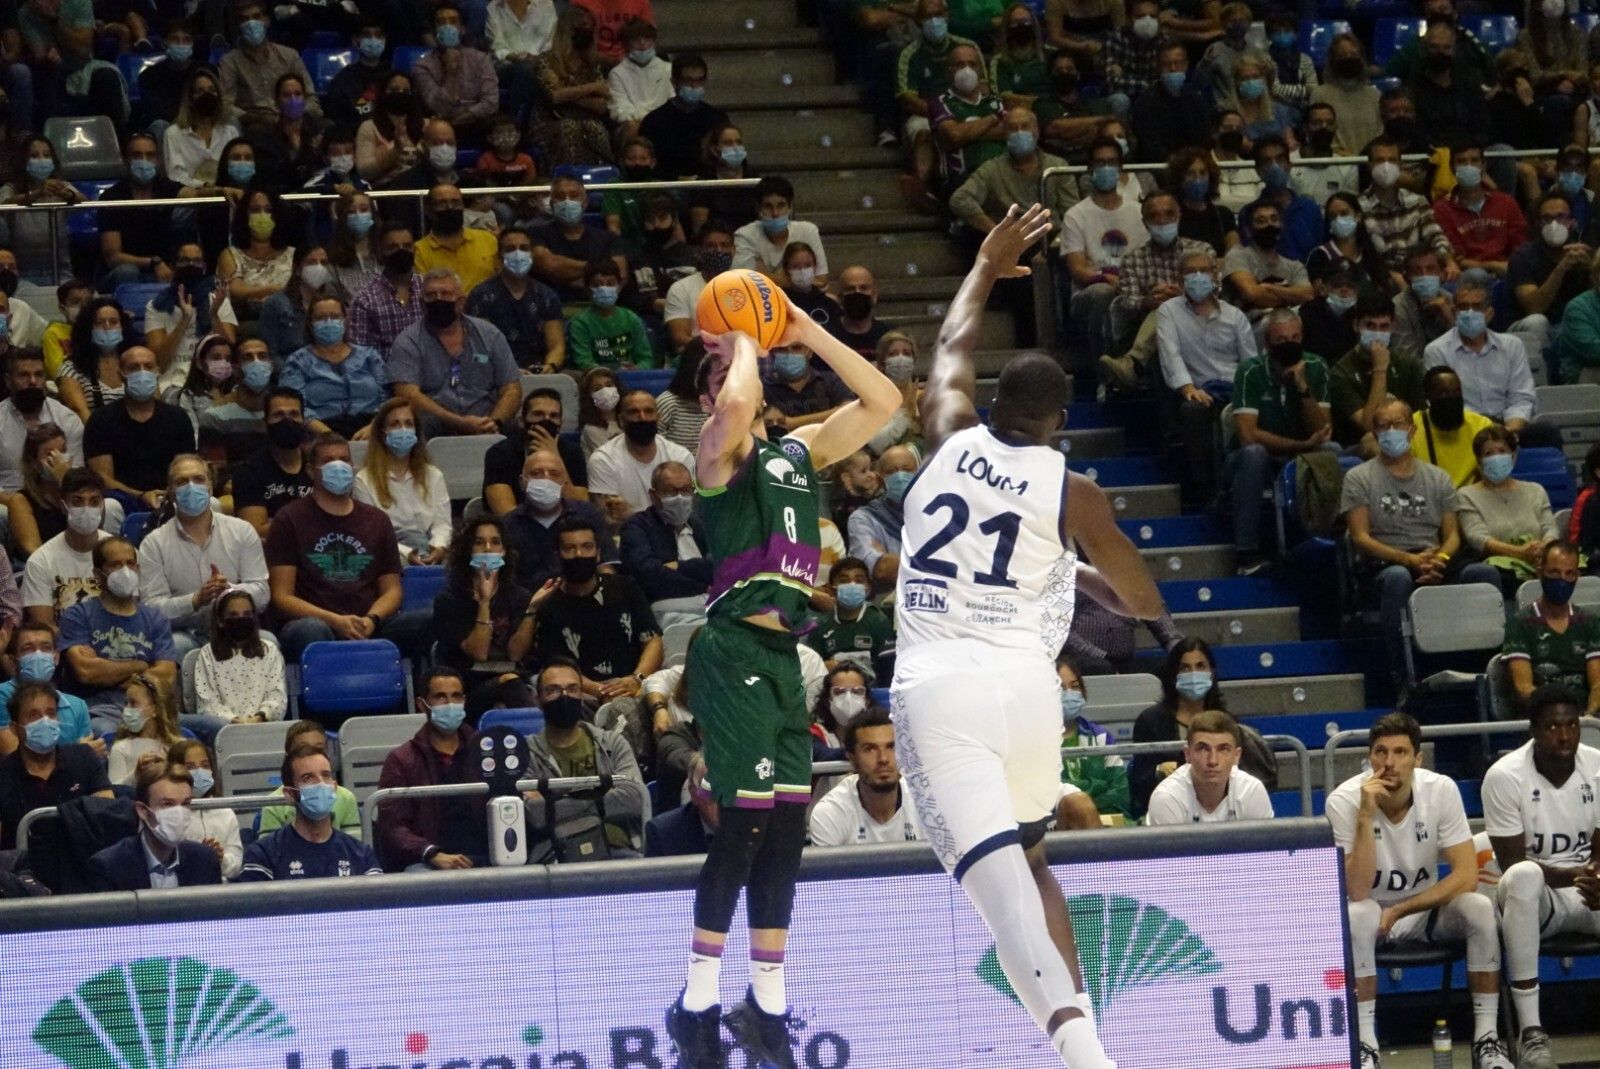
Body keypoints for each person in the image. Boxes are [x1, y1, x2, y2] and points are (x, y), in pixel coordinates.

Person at [889, 204, 1161, 1069]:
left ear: (994, 403)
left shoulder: (943, 435)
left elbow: (951, 347)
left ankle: (1091, 1062)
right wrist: (1076, 571)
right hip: (1028, 690)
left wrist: (984, 263)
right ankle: (1088, 1035)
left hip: (941, 686)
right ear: (1060, 420)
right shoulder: (1073, 489)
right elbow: (1142, 599)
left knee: (997, 894)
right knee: (1033, 859)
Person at [663, 242, 901, 1062]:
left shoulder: (797, 453)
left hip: (784, 657)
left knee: (790, 827)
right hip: (730, 649)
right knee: (742, 827)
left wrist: (803, 325)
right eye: (725, 373)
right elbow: (733, 407)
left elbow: (884, 398)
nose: (735, 382)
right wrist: (743, 345)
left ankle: (765, 1003)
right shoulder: (716, 457)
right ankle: (695, 1003)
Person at [1324, 711, 1514, 1069]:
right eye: (1381, 752)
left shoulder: (1440, 789)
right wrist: (1365, 817)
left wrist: (1401, 910)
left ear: (1417, 758)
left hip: (1421, 912)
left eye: (1400, 753)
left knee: (1478, 907)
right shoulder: (1344, 800)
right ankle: (1367, 1046)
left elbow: (1465, 876)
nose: (1389, 763)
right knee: (1357, 912)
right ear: (1370, 757)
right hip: (1370, 916)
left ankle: (1487, 1042)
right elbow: (1356, 887)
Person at [1342, 397, 1502, 690]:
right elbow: (1360, 537)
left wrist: (1438, 560)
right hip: (1384, 564)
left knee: (1484, 575)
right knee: (1398, 578)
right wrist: (1409, 560)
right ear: (1375, 433)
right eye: (1383, 426)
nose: (1391, 430)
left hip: (1434, 560)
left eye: (1398, 423)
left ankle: (1486, 673)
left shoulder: (1438, 478)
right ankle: (1403, 679)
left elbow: (1452, 535)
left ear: (1412, 429)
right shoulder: (1358, 477)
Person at [1482, 684, 1600, 1069]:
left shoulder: (1597, 765)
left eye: (1570, 725)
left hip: (1588, 892)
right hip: (1535, 903)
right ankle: (1531, 1034)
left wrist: (1597, 877)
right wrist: (1580, 875)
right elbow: (1512, 861)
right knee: (1524, 876)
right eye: (1552, 727)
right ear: (1533, 730)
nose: (1564, 735)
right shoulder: (1504, 776)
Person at [264, 432, 430, 663]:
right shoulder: (289, 519)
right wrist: (335, 621)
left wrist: (372, 620)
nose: (338, 466)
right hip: (316, 623)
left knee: (430, 618)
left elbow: (392, 590)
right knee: (311, 630)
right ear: (311, 470)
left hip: (368, 623)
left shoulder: (377, 520)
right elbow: (282, 597)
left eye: (344, 459)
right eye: (329, 461)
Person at [1226, 309, 1336, 575]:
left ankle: (1331, 545)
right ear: (1267, 343)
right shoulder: (1250, 371)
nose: (1289, 344)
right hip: (1254, 461)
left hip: (1301, 455)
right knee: (1254, 453)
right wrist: (1300, 445)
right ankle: (1246, 553)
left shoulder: (1316, 366)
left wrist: (1301, 385)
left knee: (1333, 451)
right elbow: (1248, 435)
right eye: (1281, 339)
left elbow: (1323, 430)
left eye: (1294, 337)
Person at [137, 455, 269, 661]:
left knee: (269, 644)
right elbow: (151, 610)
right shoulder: (154, 543)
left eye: (198, 479)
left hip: (237, 628)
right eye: (181, 481)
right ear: (170, 492)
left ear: (210, 486)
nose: (191, 486)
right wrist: (195, 600)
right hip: (186, 633)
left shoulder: (242, 531)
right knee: (174, 646)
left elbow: (262, 594)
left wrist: (229, 593)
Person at [1128, 637, 1277, 816]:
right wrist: (1159, 772)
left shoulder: (1226, 721)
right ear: (1173, 674)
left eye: (1200, 666)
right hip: (1169, 807)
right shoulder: (1150, 721)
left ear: (1211, 673)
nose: (1193, 674)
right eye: (1185, 667)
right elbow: (1138, 781)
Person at [1156, 248, 1256, 506]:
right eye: (1190, 272)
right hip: (1200, 391)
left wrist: (1246, 396)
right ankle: (1205, 489)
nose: (1198, 276)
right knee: (1193, 410)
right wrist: (1188, 388)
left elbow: (1250, 363)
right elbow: (1171, 355)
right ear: (1180, 280)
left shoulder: (1235, 316)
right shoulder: (1169, 311)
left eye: (1204, 270)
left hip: (1235, 390)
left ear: (1215, 275)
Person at [524, 656, 649, 859]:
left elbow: (634, 799)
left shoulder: (612, 743)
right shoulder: (526, 753)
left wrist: (554, 801)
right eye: (553, 690)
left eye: (572, 689)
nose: (564, 696)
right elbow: (534, 815)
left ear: (581, 696)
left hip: (617, 850)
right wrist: (601, 795)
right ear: (538, 700)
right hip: (555, 855)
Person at [530, 514, 662, 700]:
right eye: (570, 548)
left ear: (598, 553)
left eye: (587, 547)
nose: (579, 555)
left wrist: (636, 679)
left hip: (634, 686)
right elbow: (555, 665)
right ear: (557, 555)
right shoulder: (549, 603)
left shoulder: (625, 587)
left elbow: (652, 641)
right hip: (581, 694)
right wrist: (602, 691)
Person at [57, 537, 180, 732]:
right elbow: (87, 671)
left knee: (210, 728)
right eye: (115, 565)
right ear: (98, 575)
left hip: (151, 712)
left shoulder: (155, 618)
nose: (125, 571)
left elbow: (166, 675)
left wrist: (111, 671)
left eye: (130, 564)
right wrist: (140, 666)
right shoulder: (78, 615)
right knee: (105, 732)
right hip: (100, 712)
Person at [377, 666, 488, 870]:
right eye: (440, 697)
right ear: (422, 704)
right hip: (429, 861)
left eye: (456, 696)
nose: (450, 704)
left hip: (485, 857)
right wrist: (431, 853)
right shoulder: (401, 760)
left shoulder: (486, 753)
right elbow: (393, 826)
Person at [1099, 191, 1212, 389]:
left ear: (1178, 216)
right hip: (1154, 327)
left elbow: (1216, 292)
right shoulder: (1132, 259)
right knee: (1167, 312)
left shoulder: (1202, 251)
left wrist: (1185, 295)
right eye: (1154, 216)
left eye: (1168, 214)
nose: (1161, 221)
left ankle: (1132, 363)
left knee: (1171, 306)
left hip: (1200, 321)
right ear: (1144, 223)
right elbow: (1127, 300)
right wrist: (1147, 301)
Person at [1424, 275, 1546, 448]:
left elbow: (1521, 398)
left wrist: (1508, 432)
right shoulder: (1436, 350)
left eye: (1477, 307)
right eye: (1463, 307)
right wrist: (1484, 433)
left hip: (1508, 426)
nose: (1470, 313)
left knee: (1546, 433)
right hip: (1463, 430)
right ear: (1454, 312)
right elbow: (1444, 404)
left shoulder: (1512, 346)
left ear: (1489, 313)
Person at [237, 745, 383, 880]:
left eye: (326, 775)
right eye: (308, 778)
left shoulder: (361, 854)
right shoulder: (263, 855)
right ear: (289, 794)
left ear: (334, 787)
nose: (320, 784)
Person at [1061, 136, 1147, 361]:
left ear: (1120, 167)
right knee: (1103, 293)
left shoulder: (1139, 211)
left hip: (1133, 286)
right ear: (1090, 169)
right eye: (1100, 163)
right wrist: (1108, 279)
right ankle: (1104, 371)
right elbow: (1078, 270)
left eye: (1112, 162)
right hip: (1090, 291)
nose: (1107, 168)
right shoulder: (1075, 215)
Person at [82, 347, 197, 514]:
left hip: (172, 497)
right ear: (121, 374)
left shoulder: (177, 418)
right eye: (134, 368)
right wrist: (141, 495)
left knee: (212, 502)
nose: (142, 373)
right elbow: (102, 479)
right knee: (109, 506)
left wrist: (167, 496)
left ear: (158, 372)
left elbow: (185, 469)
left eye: (148, 367)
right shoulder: (101, 420)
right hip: (123, 502)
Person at [0, 681, 113, 849]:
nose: (45, 721)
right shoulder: (4, 775)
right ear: (15, 728)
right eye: (34, 715)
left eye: (51, 713)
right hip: (24, 868)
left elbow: (107, 815)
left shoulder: (84, 757)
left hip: (84, 861)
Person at [88, 762, 222, 891]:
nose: (179, 813)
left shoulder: (205, 860)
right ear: (143, 811)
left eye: (185, 803)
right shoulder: (109, 866)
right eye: (167, 804)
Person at [1501, 541, 1600, 713]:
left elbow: (1598, 684)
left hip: (1585, 718)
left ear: (1577, 576)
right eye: (1555, 572)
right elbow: (1523, 688)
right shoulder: (1520, 623)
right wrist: (1559, 716)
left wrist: (1587, 720)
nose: (1562, 580)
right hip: (1543, 717)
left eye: (1569, 574)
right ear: (1540, 573)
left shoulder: (1589, 621)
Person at [277, 294, 390, 439]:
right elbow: (293, 407)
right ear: (310, 324)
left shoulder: (369, 356)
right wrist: (328, 435)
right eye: (321, 318)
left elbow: (388, 399)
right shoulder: (297, 362)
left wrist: (374, 426)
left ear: (345, 320)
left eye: (335, 316)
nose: (328, 321)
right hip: (320, 432)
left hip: (373, 429)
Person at [353, 400, 451, 566]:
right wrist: (407, 554)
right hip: (388, 552)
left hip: (429, 548)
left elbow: (442, 524)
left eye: (408, 423)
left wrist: (438, 547)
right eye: (395, 424)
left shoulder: (434, 475)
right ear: (383, 432)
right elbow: (371, 534)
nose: (403, 430)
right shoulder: (363, 480)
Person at [808, 707, 921, 846]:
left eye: (892, 746)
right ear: (852, 759)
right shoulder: (829, 813)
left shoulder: (927, 805)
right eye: (870, 749)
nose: (883, 758)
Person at [1458, 426, 1559, 583]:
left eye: (1501, 451)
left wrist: (1544, 549)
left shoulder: (1536, 490)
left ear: (1513, 456)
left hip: (1540, 560)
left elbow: (1550, 528)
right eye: (1488, 454)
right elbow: (1477, 538)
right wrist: (1519, 552)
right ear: (1479, 461)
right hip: (1499, 568)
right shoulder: (1466, 495)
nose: (1496, 457)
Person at [1329, 295, 1429, 452]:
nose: (1377, 333)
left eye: (1384, 327)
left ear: (1393, 326)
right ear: (1356, 325)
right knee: (1372, 443)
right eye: (1370, 326)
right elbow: (1369, 426)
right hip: (1359, 445)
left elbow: (1421, 416)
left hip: (1407, 436)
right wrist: (1380, 370)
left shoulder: (1408, 363)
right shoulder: (1341, 373)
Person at [1144, 710, 1274, 825]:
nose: (1212, 761)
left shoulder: (1251, 791)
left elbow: (1267, 850)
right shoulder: (1167, 797)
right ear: (1187, 754)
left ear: (1237, 755)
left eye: (1223, 749)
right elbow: (1172, 853)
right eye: (1202, 749)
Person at [20, 468, 113, 627]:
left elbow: (133, 611)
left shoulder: (121, 553)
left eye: (94, 501)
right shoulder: (40, 561)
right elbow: (45, 628)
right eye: (77, 502)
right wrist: (76, 650)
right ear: (63, 506)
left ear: (103, 505)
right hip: (63, 646)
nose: (86, 508)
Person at [99, 135, 192, 291]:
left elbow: (193, 194)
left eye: (150, 155)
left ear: (158, 161)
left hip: (164, 271)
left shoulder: (167, 188)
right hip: (123, 274)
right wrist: (153, 262)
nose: (144, 161)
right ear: (125, 160)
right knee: (128, 271)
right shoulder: (112, 197)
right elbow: (113, 257)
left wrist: (217, 189)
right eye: (137, 155)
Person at [587, 390, 695, 523]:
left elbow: (689, 513)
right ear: (621, 420)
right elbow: (609, 520)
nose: (642, 418)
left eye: (649, 411)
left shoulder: (681, 457)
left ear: (658, 417)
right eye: (634, 412)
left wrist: (630, 513)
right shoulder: (603, 460)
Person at [466, 229, 566, 373]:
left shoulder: (547, 296)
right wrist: (509, 371)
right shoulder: (481, 295)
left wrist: (549, 366)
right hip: (495, 372)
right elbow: (479, 348)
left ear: (531, 254)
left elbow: (557, 345)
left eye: (524, 248)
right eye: (510, 249)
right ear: (499, 256)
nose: (518, 254)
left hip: (538, 372)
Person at [620, 461, 711, 614]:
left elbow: (725, 564)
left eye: (686, 490)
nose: (680, 498)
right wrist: (702, 586)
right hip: (667, 608)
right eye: (671, 491)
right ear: (654, 495)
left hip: (714, 603)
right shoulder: (637, 526)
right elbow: (649, 575)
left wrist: (679, 566)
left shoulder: (703, 523)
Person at [1513, 193, 1592, 369]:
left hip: (1571, 327)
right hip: (1529, 331)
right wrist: (1561, 269)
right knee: (1537, 321)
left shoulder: (1586, 253)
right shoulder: (1523, 257)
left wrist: (1592, 270)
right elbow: (1534, 307)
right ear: (1538, 223)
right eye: (1546, 218)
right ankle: (1545, 383)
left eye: (1561, 217)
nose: (1554, 224)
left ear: (1572, 222)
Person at [191, 589, 288, 728]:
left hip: (264, 727)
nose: (241, 619)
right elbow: (207, 703)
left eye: (247, 614)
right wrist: (234, 720)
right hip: (223, 730)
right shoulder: (208, 653)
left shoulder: (270, 650)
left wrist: (260, 717)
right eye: (233, 615)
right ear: (220, 620)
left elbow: (277, 696)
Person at [1362, 138, 1460, 276]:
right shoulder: (1359, 206)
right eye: (1380, 160)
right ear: (1369, 165)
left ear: (1400, 164)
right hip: (1379, 278)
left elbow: (1434, 235)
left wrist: (1449, 262)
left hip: (1416, 274)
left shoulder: (1417, 201)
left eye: (1392, 160)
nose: (1386, 166)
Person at [0, 624, 97, 758]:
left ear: (56, 657)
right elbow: (12, 754)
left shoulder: (77, 706)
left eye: (46, 648)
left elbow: (88, 761)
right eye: (28, 649)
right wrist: (76, 752)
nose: (38, 655)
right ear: (13, 661)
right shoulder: (2, 695)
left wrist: (81, 753)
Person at [1433, 141, 1527, 279]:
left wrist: (1507, 266)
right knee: (1477, 275)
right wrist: (1493, 266)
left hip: (1507, 269)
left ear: (1484, 166)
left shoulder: (1506, 202)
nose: (1469, 166)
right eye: (1461, 161)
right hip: (1467, 275)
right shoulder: (1442, 208)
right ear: (1452, 168)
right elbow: (1457, 257)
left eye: (1475, 160)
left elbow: (1520, 245)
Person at [219, 2, 321, 129]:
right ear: (238, 25)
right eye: (244, 19)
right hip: (255, 124)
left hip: (294, 117)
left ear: (266, 21)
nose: (251, 23)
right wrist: (253, 117)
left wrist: (293, 113)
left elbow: (311, 99)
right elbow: (225, 104)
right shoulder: (229, 62)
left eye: (256, 17)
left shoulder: (289, 55)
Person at [255, 720, 363, 838]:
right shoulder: (273, 805)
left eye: (319, 749)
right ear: (288, 756)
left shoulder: (346, 798)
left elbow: (354, 848)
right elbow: (270, 851)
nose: (311, 754)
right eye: (302, 749)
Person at [232, 388, 315, 536]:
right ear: (265, 423)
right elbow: (256, 530)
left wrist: (276, 523)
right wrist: (315, 521)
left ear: (303, 421)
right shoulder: (249, 471)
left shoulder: (317, 465)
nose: (287, 421)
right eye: (278, 415)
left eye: (294, 414)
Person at [0, 349, 82, 497]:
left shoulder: (67, 419)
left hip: (58, 499)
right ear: (8, 380)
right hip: (7, 503)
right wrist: (17, 506)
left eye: (38, 375)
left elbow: (78, 476)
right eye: (24, 375)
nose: (32, 381)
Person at [412, 2, 499, 141]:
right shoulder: (422, 67)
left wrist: (465, 115)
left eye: (453, 21)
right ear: (434, 30)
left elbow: (491, 102)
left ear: (462, 29)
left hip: (476, 124)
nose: (447, 26)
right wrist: (451, 72)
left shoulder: (480, 59)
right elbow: (439, 108)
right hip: (441, 129)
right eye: (441, 22)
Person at [1057, 654, 1130, 817]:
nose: (1069, 693)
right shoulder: (1036, 743)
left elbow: (1120, 795)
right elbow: (1045, 797)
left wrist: (1077, 795)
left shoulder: (1101, 737)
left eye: (1075, 686)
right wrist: (1097, 786)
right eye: (1061, 688)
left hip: (1104, 825)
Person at [639, 53, 730, 181]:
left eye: (699, 80)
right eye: (688, 81)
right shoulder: (654, 121)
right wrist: (677, 179)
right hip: (667, 188)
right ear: (674, 82)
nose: (694, 86)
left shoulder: (717, 119)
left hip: (708, 187)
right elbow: (648, 165)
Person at [1221, 200, 1313, 323]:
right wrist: (1292, 296)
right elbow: (1252, 294)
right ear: (1249, 229)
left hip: (1287, 330)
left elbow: (1308, 296)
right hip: (1247, 328)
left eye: (1274, 219)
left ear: (1282, 225)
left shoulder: (1294, 266)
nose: (1270, 224)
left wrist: (1270, 288)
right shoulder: (1238, 255)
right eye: (1261, 221)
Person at [169, 738, 244, 880]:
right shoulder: (170, 815)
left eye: (204, 765)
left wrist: (221, 859)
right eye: (190, 767)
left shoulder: (226, 812)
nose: (199, 772)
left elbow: (237, 866)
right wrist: (200, 855)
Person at [846, 446, 919, 593]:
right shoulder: (863, 519)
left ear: (919, 473)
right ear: (881, 479)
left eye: (907, 469)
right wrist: (934, 565)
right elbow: (882, 570)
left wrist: (890, 558)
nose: (900, 476)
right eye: (891, 472)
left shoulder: (937, 514)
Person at [732, 176, 830, 285]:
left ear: (790, 207)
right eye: (768, 206)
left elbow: (821, 281)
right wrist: (799, 280)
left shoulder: (808, 231)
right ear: (758, 209)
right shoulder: (745, 235)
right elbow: (744, 282)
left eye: (781, 206)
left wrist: (766, 276)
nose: (775, 213)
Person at [348, 222, 424, 356]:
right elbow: (359, 356)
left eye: (407, 246)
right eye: (393, 247)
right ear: (380, 252)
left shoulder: (429, 289)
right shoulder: (365, 300)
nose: (401, 251)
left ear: (415, 249)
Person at [568, 261, 657, 370]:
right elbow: (584, 362)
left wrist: (637, 369)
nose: (604, 289)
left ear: (619, 287)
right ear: (587, 289)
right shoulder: (580, 323)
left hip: (629, 377)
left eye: (610, 284)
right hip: (596, 379)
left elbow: (646, 359)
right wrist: (609, 373)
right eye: (597, 284)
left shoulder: (631, 319)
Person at [665, 221, 736, 355]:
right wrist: (717, 346)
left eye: (724, 245)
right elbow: (680, 338)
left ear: (733, 251)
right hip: (698, 357)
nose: (718, 251)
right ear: (699, 251)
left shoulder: (748, 287)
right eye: (711, 246)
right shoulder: (681, 289)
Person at [414, 184, 499, 294]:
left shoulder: (488, 240)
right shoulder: (419, 251)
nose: (450, 207)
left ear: (463, 207)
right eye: (442, 203)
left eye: (455, 202)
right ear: (429, 210)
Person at [107, 674, 181, 786]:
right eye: (126, 703)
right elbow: (114, 792)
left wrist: (170, 766)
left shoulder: (179, 747)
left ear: (155, 709)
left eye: (133, 703)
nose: (127, 709)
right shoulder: (120, 748)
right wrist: (136, 774)